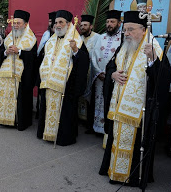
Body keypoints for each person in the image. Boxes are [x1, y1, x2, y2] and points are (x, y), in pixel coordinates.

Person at [99, 11, 171, 189]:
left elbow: (163, 80)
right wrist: (113, 75)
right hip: (118, 107)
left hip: (138, 112)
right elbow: (110, 66)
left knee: (135, 143)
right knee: (116, 139)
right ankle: (114, 171)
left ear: (142, 29)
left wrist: (154, 59)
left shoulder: (153, 47)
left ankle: (133, 177)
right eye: (125, 30)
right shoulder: (124, 46)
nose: (127, 34)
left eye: (130, 30)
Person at [37, 10, 89, 145]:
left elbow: (84, 62)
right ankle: (47, 132)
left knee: (65, 112)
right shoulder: (50, 41)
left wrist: (76, 51)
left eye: (61, 22)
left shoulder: (76, 40)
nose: (57, 25)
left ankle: (62, 137)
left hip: (66, 85)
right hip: (49, 83)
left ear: (68, 24)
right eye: (56, 22)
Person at [0, 10, 37, 131]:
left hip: (21, 75)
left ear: (25, 24)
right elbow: (1, 51)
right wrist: (6, 52)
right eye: (14, 23)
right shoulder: (9, 37)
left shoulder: (31, 38)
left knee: (20, 98)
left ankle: (18, 120)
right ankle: (4, 119)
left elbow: (33, 57)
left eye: (18, 23)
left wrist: (20, 51)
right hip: (5, 73)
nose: (16, 25)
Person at [91, 10, 122, 134]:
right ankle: (96, 127)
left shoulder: (123, 38)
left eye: (112, 22)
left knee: (109, 100)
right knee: (98, 100)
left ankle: (107, 130)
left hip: (112, 77)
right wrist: (98, 72)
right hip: (100, 76)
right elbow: (94, 55)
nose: (109, 24)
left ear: (119, 23)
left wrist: (109, 74)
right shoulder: (101, 37)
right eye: (108, 22)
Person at [78, 14, 100, 132]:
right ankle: (80, 119)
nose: (82, 27)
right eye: (81, 25)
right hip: (80, 72)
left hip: (91, 71)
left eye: (85, 25)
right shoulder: (78, 38)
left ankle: (89, 124)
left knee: (90, 98)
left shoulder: (97, 38)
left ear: (91, 26)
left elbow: (98, 56)